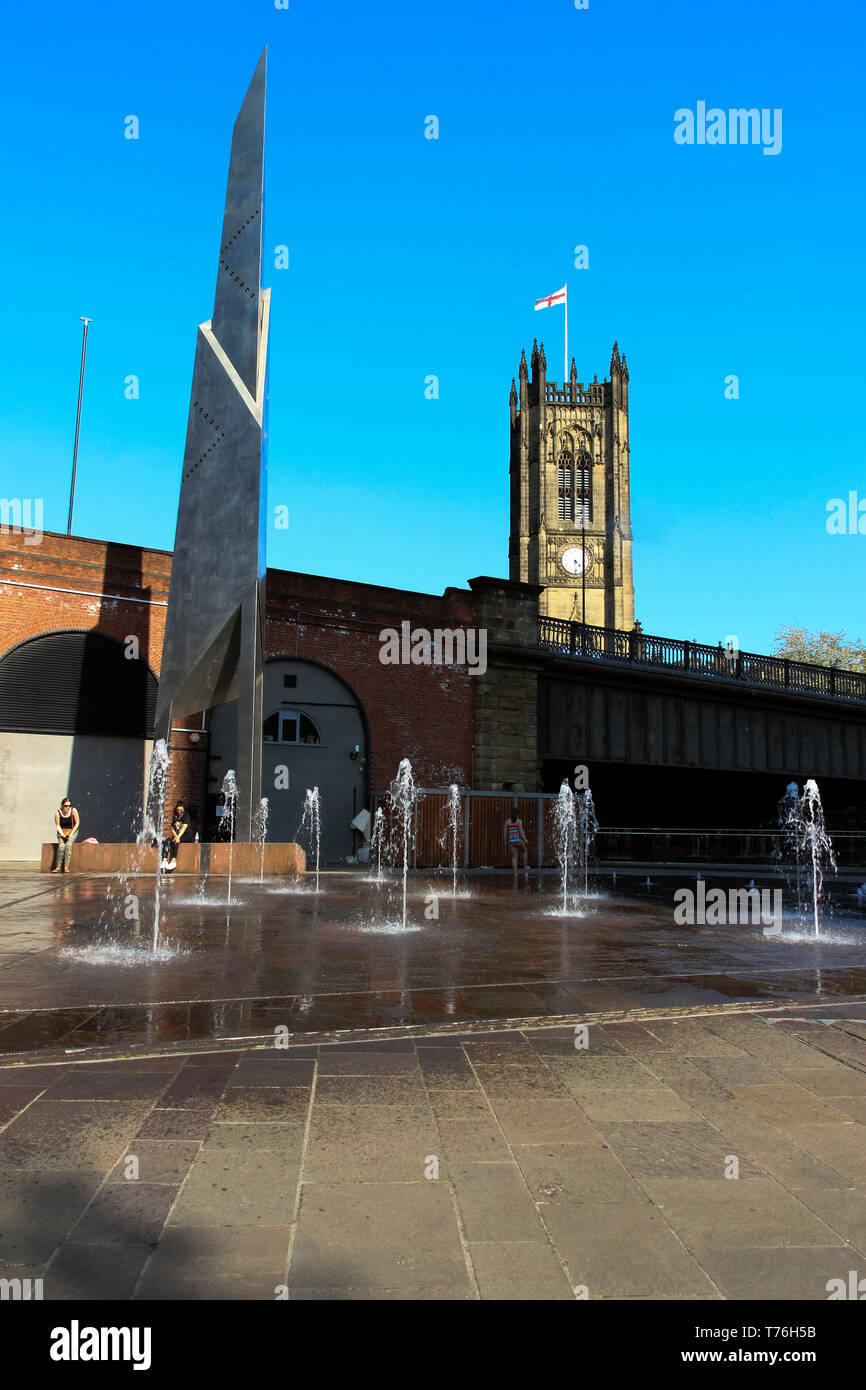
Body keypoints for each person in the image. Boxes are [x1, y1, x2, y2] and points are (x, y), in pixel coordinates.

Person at [53, 797, 79, 872]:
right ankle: (58, 867)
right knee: (61, 846)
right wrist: (62, 835)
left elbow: (77, 823)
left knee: (68, 845)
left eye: (69, 806)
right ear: (62, 805)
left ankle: (66, 867)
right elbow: (58, 825)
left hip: (72, 831)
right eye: (66, 806)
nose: (67, 807)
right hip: (62, 832)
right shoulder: (58, 813)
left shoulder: (73, 811)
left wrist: (71, 834)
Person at [161, 803, 190, 873]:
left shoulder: (186, 817)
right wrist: (176, 836)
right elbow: (172, 828)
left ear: (184, 810)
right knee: (166, 841)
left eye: (181, 810)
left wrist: (178, 837)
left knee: (176, 842)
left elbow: (184, 828)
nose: (179, 812)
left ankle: (173, 861)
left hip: (185, 835)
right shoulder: (175, 817)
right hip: (177, 835)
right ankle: (164, 860)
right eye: (178, 810)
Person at [505, 804, 529, 884]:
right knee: (524, 850)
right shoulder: (519, 821)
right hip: (518, 839)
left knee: (514, 857)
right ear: (517, 814)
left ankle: (515, 874)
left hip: (511, 841)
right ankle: (525, 867)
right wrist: (525, 840)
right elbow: (521, 832)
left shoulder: (507, 822)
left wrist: (505, 841)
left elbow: (505, 833)